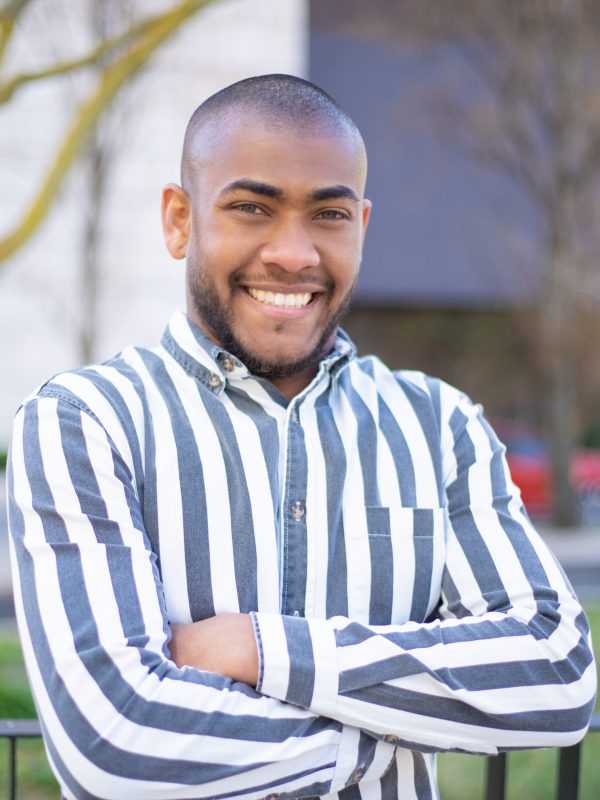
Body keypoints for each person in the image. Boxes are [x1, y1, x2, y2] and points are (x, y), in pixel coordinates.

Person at [8, 74, 596, 800]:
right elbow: (116, 741)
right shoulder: (85, 422)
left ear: (362, 227)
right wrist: (387, 741)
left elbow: (557, 678)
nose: (293, 253)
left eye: (328, 214)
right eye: (252, 207)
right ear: (178, 220)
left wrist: (260, 648)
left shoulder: (439, 426)